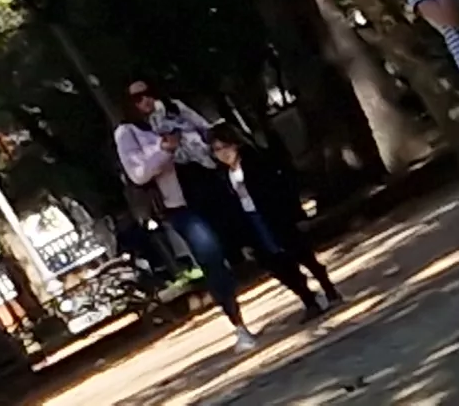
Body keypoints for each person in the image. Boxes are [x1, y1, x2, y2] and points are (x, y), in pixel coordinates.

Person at [115, 79, 318, 348]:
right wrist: (165, 150)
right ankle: (240, 327)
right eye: (138, 98)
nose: (146, 101)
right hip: (181, 204)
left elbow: (210, 133)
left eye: (149, 93)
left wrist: (207, 144)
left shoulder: (176, 109)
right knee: (211, 257)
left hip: (212, 186)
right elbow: (138, 174)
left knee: (258, 241)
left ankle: (308, 296)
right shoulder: (128, 133)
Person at [206, 125, 344, 315]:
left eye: (225, 147)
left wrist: (297, 215)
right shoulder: (223, 176)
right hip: (253, 221)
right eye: (217, 150)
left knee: (303, 255)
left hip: (276, 215)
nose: (223, 154)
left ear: (235, 144)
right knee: (277, 265)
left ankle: (329, 289)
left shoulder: (257, 161)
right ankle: (308, 299)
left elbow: (283, 188)